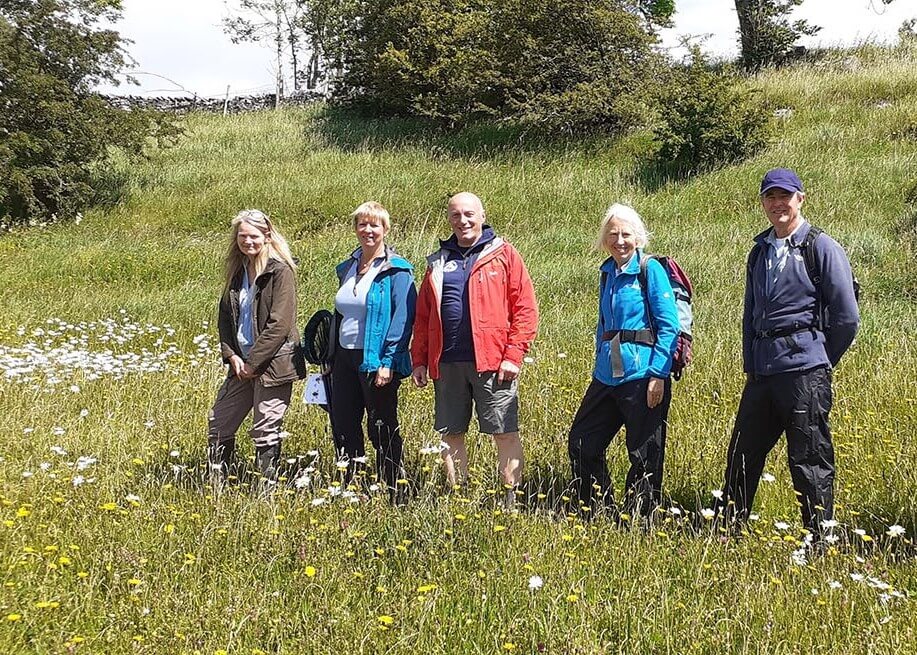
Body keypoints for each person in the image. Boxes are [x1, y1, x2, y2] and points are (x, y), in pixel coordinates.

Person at [717, 168, 859, 533]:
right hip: (764, 372)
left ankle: (818, 536)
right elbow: (750, 313)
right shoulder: (759, 251)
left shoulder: (821, 246)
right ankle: (728, 529)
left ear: (800, 199)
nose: (777, 203)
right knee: (742, 454)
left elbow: (846, 316)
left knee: (809, 456)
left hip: (804, 371)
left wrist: (820, 360)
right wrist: (751, 363)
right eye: (770, 197)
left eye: (785, 196)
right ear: (763, 202)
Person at [411, 192, 538, 506]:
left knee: (504, 432)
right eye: (456, 215)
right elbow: (423, 315)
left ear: (482, 215)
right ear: (450, 219)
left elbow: (525, 309)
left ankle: (511, 501)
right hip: (447, 363)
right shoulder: (438, 261)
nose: (463, 221)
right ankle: (459, 496)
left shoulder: (505, 255)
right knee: (451, 432)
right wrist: (420, 359)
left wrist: (514, 355)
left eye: (469, 214)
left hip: (493, 362)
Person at [567, 204, 679, 518]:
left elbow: (668, 324)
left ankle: (639, 519)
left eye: (626, 234)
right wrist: (597, 364)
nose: (619, 240)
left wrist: (659, 373)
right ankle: (598, 510)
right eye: (613, 234)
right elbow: (604, 325)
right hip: (608, 372)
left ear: (638, 237)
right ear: (604, 239)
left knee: (644, 452)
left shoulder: (650, 269)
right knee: (581, 442)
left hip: (644, 372)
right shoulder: (607, 272)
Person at [208, 209, 304, 485]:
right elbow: (225, 317)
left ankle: (267, 490)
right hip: (240, 365)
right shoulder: (237, 273)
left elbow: (280, 324)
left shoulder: (280, 271)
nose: (247, 241)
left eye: (253, 236)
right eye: (242, 236)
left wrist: (253, 363)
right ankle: (218, 484)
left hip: (273, 365)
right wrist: (232, 356)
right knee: (219, 421)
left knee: (265, 427)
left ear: (267, 236)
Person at [331, 201, 416, 497]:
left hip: (376, 359)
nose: (368, 230)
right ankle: (352, 484)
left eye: (374, 225)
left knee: (381, 425)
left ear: (385, 230)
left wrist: (388, 361)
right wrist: (329, 354)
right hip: (343, 357)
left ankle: (394, 487)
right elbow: (341, 313)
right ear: (355, 228)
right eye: (362, 224)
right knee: (343, 421)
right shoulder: (348, 266)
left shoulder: (397, 271)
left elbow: (402, 319)